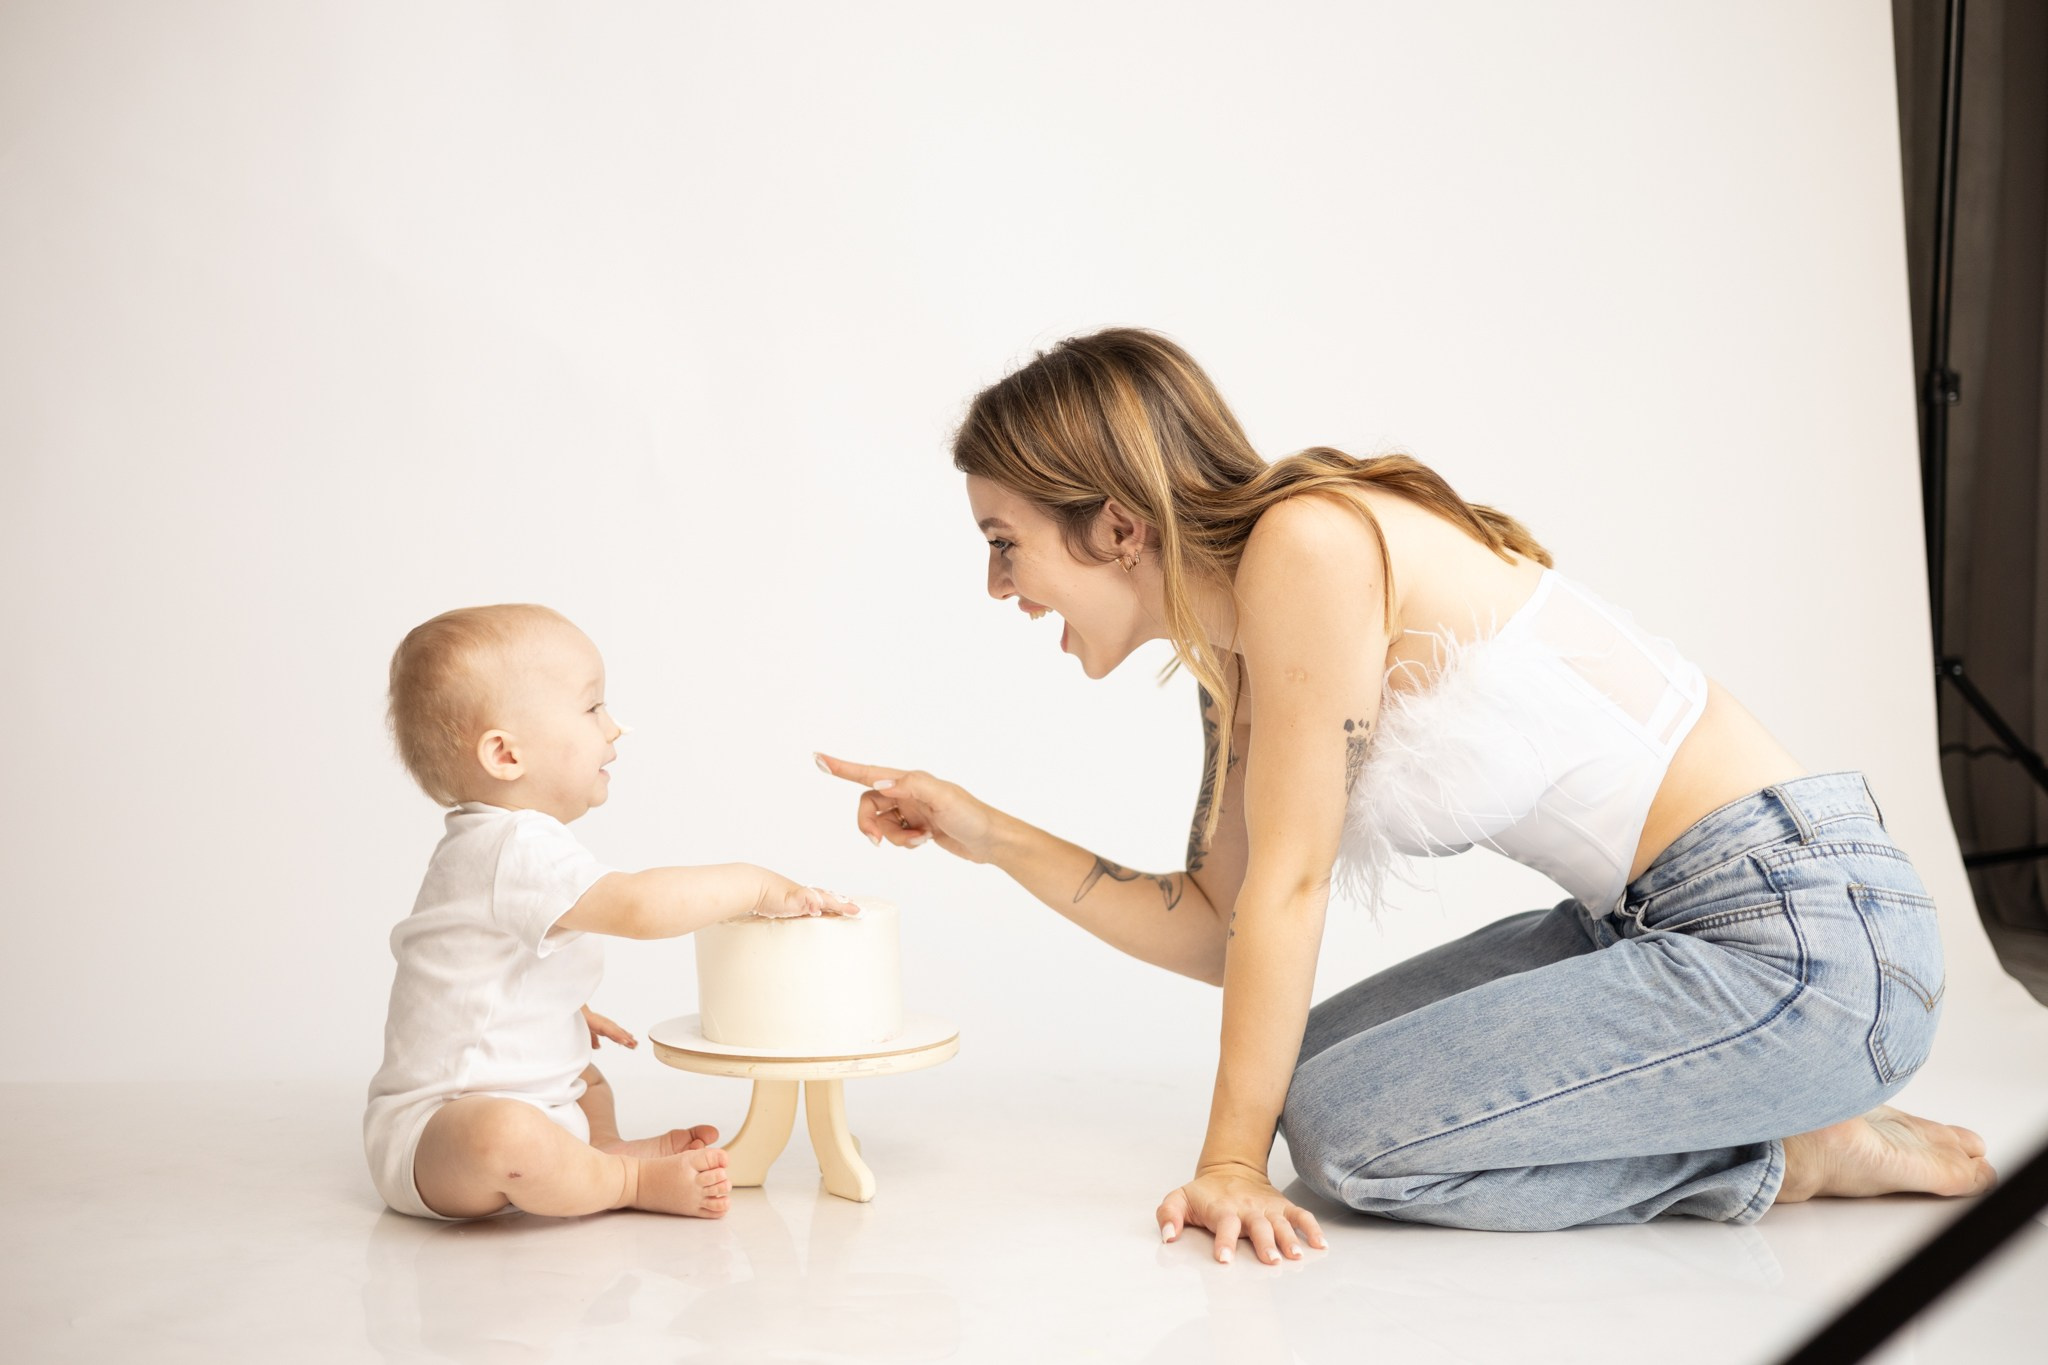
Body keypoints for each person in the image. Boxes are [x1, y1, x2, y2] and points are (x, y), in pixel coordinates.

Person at [816, 328, 1996, 1264]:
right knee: (1316, 1074)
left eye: (1003, 542)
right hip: (1665, 928)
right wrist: (982, 832)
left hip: (1805, 945)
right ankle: (1782, 1123)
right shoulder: (1239, 653)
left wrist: (1228, 1165)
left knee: (1348, 1138)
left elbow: (1288, 885)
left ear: (1117, 526)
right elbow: (1221, 932)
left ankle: (1796, 1153)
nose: (994, 584)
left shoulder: (1306, 546)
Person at [367, 603, 857, 1220]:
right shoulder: (513, 845)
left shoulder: (500, 845)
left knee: (587, 1079)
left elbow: (480, 972)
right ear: (506, 756)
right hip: (432, 1139)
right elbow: (637, 907)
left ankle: (597, 1149)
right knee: (507, 1135)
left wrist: (558, 1009)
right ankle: (625, 1181)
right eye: (592, 707)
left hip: (525, 1106)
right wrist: (754, 885)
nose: (615, 726)